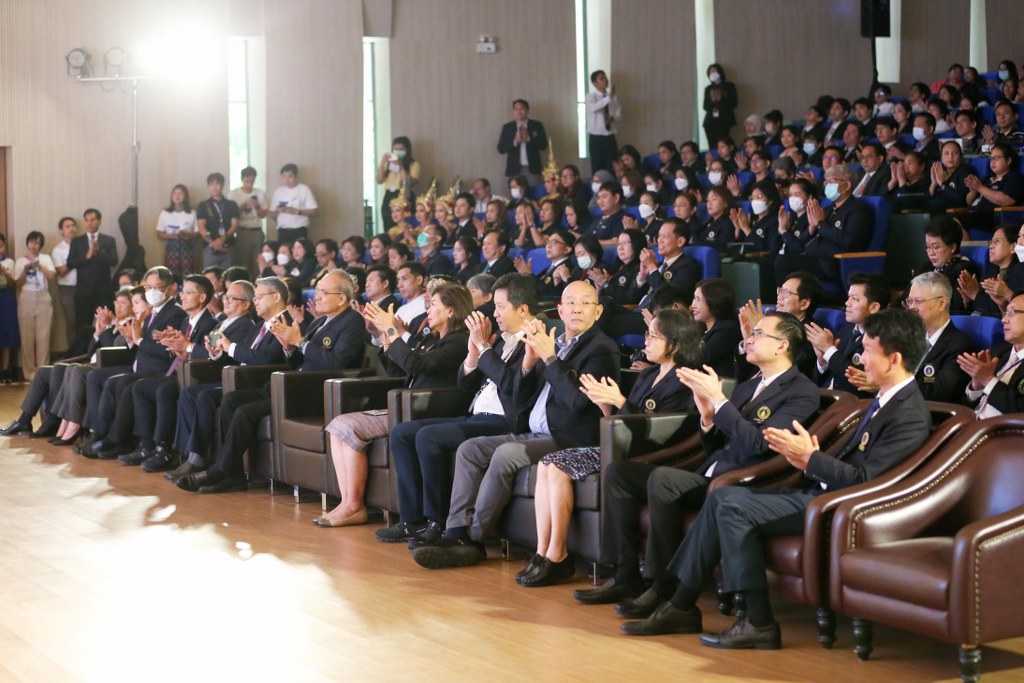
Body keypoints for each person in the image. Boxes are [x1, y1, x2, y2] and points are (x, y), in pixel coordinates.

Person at [620, 308, 930, 651]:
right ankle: (682, 604)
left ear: (894, 359)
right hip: (819, 493)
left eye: (868, 350)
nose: (861, 358)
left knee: (731, 504)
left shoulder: (908, 413)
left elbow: (866, 480)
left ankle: (756, 622)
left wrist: (811, 459)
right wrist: (808, 460)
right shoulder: (886, 400)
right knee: (722, 498)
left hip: (842, 507)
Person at [574, 311, 819, 612]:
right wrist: (707, 419)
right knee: (619, 472)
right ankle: (625, 574)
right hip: (710, 471)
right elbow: (714, 444)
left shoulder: (801, 392)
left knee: (663, 480)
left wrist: (720, 402)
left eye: (758, 334)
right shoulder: (749, 385)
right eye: (752, 333)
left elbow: (758, 444)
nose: (750, 339)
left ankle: (662, 584)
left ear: (782, 346)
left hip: (744, 483)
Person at [411, 282, 620, 569]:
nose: (577, 309)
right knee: (470, 449)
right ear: (560, 310)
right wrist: (529, 364)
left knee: (506, 454)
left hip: (567, 437)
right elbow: (520, 397)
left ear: (598, 312)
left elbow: (578, 402)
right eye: (571, 303)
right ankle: (456, 531)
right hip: (532, 429)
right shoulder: (553, 342)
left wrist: (550, 358)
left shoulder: (601, 349)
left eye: (585, 303)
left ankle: (472, 539)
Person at [520, 310, 700, 587]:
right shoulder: (648, 374)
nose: (646, 341)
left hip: (647, 455)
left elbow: (659, 431)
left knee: (556, 466)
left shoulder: (684, 381)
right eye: (647, 334)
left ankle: (558, 554)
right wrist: (605, 404)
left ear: (675, 344)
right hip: (621, 446)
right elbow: (619, 421)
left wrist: (620, 401)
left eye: (654, 336)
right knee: (546, 463)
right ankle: (543, 551)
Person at [376, 274, 538, 544]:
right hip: (477, 414)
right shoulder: (500, 340)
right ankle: (411, 520)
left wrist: (484, 348)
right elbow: (465, 386)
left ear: (522, 310)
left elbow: (514, 387)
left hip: (505, 420)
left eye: (500, 307)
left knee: (429, 437)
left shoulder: (533, 341)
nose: (495, 314)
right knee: (402, 432)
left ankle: (438, 522)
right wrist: (474, 356)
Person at [178, 271, 369, 494]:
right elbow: (299, 362)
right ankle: (234, 475)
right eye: (317, 291)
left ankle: (220, 470)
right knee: (230, 400)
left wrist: (300, 342)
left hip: (315, 391)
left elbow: (337, 362)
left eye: (323, 292)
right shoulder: (319, 322)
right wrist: (289, 348)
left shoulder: (352, 321)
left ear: (342, 298)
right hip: (291, 385)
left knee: (245, 412)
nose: (317, 296)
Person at [313, 283, 472, 525]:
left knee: (345, 426)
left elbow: (417, 365)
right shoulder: (431, 338)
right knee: (338, 426)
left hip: (423, 410)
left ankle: (354, 505)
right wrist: (385, 336)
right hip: (404, 405)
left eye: (433, 305)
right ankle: (347, 502)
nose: (428, 310)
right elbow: (399, 371)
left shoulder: (459, 342)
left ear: (451, 310)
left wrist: (391, 329)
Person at [163, 278, 287, 480]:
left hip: (258, 383)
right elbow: (237, 357)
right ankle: (194, 458)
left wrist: (229, 347)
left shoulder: (284, 323)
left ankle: (212, 465)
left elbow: (268, 359)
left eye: (259, 297)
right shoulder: (258, 327)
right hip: (239, 379)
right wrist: (216, 353)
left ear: (276, 297)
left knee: (207, 396)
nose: (255, 301)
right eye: (255, 297)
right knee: (192, 392)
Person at [135, 279, 258, 473]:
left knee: (192, 393)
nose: (225, 301)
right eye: (225, 297)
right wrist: (182, 351)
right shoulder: (223, 324)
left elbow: (228, 358)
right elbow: (212, 354)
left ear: (245, 304)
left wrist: (189, 347)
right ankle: (181, 454)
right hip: (210, 373)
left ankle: (192, 457)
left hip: (228, 378)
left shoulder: (244, 325)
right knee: (179, 391)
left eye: (232, 298)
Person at [113, 275, 220, 465]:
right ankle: (146, 445)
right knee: (139, 387)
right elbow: (182, 354)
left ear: (202, 297)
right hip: (180, 372)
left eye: (188, 293)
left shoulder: (211, 323)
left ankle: (164, 449)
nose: (182, 296)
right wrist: (172, 344)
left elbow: (209, 356)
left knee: (164, 390)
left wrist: (185, 346)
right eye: (183, 292)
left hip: (196, 378)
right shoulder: (186, 321)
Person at [775, 164, 871, 289]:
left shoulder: (857, 209)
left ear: (847, 185)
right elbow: (803, 243)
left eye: (832, 182)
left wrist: (821, 224)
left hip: (835, 263)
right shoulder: (827, 210)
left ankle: (785, 299)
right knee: (778, 259)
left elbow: (849, 242)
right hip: (815, 257)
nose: (827, 186)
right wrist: (811, 228)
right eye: (826, 182)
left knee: (783, 262)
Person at [806, 273, 890, 397]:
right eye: (848, 297)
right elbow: (819, 380)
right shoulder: (845, 330)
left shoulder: (882, 339)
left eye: (855, 299)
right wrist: (823, 361)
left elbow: (857, 381)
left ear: (874, 307)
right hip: (823, 397)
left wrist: (829, 350)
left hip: (851, 404)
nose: (847, 303)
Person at [960, 291, 1024, 418]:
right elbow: (967, 406)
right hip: (971, 424)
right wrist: (977, 385)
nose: (1004, 320)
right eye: (1005, 313)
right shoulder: (997, 353)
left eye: (1012, 312)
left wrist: (988, 380)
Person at [900, 215, 978, 313]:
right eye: (927, 247)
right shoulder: (924, 268)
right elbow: (903, 300)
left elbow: (954, 309)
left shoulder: (963, 270)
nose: (931, 253)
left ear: (953, 247)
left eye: (936, 247)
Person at [66, 208, 118, 344]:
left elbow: (114, 261)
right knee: (82, 326)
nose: (89, 223)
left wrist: (98, 253)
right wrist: (87, 256)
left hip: (103, 291)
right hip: (83, 292)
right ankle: (83, 352)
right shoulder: (77, 241)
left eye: (93, 220)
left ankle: (103, 352)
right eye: (87, 220)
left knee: (106, 325)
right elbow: (70, 263)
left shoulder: (108, 240)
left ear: (99, 221)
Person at [14, 231, 56, 380]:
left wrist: (39, 266)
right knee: (27, 336)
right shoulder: (20, 261)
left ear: (41, 245)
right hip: (26, 297)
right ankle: (29, 372)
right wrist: (25, 271)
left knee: (44, 336)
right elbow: (17, 284)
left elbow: (52, 275)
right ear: (27, 243)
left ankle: (43, 371)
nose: (34, 246)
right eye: (31, 242)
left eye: (37, 243)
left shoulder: (45, 258)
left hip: (43, 297)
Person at [957, 225, 1024, 316]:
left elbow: (999, 311)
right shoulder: (989, 275)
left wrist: (975, 295)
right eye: (991, 242)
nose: (991, 246)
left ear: (1013, 247)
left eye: (997, 241)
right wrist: (968, 300)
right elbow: (979, 307)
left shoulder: (1019, 273)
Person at [690, 278, 743, 379]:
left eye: (698, 299)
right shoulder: (701, 327)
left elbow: (696, 359)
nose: (693, 305)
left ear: (714, 302)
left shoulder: (727, 331)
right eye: (694, 298)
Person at [229, 166, 269, 274]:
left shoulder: (260, 193)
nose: (249, 184)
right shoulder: (234, 193)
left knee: (257, 264)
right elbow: (230, 214)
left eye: (252, 181)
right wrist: (244, 205)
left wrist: (257, 206)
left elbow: (263, 215)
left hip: (257, 230)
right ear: (242, 179)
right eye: (247, 181)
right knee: (243, 263)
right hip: (242, 231)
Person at [196, 172, 240, 269]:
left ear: (222, 185)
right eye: (211, 184)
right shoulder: (203, 205)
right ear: (208, 186)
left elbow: (234, 225)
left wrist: (222, 239)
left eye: (217, 184)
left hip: (228, 246)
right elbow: (201, 227)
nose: (214, 187)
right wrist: (214, 243)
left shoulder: (231, 204)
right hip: (210, 247)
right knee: (210, 275)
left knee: (228, 275)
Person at [498, 99, 548, 184]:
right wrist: (515, 142)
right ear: (513, 111)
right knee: (515, 192)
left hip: (532, 169)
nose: (519, 112)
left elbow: (544, 146)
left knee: (534, 191)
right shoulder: (507, 127)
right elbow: (500, 149)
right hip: (514, 170)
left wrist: (529, 138)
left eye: (522, 108)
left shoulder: (537, 125)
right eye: (516, 109)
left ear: (527, 110)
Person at [269, 163, 319, 245]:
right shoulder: (278, 191)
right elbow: (272, 214)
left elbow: (315, 212)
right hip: (282, 231)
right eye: (284, 177)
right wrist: (278, 211)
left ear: (296, 177)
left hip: (299, 230)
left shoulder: (304, 189)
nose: (286, 180)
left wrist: (296, 211)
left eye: (290, 177)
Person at [375, 137, 419, 230]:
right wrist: (383, 161)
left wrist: (399, 166)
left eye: (401, 149)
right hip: (389, 195)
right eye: (396, 149)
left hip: (404, 195)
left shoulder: (413, 164)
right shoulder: (388, 163)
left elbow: (410, 182)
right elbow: (379, 180)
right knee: (388, 224)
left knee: (406, 225)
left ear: (407, 150)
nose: (398, 151)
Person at [156, 183, 200, 274]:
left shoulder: (192, 213)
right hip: (172, 247)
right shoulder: (165, 213)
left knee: (188, 274)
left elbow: (197, 233)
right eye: (174, 193)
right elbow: (159, 233)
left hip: (187, 247)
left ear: (185, 196)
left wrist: (186, 234)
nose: (177, 196)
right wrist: (171, 236)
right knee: (172, 275)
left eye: (180, 193)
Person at [586, 70, 622, 175]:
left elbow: (619, 115)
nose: (605, 80)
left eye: (605, 77)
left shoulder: (613, 97)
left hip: (610, 137)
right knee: (598, 168)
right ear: (594, 83)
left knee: (612, 167)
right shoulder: (590, 96)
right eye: (601, 78)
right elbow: (594, 108)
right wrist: (608, 98)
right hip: (596, 138)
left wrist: (613, 118)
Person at [50, 216, 78, 338]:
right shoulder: (58, 250)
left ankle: (86, 349)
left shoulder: (82, 245)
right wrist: (77, 260)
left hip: (84, 287)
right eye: (67, 226)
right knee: (72, 321)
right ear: (61, 231)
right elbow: (61, 271)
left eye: (73, 226)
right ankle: (74, 349)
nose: (71, 228)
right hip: (67, 289)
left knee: (85, 321)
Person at [702, 64, 738, 147]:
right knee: (712, 144)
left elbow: (734, 103)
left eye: (714, 71)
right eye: (710, 72)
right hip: (710, 121)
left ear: (720, 72)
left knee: (723, 142)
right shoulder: (708, 88)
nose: (712, 73)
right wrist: (713, 101)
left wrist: (721, 100)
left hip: (724, 119)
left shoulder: (729, 86)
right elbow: (705, 106)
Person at [696, 186, 735, 253]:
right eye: (708, 200)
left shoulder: (728, 223)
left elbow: (721, 247)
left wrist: (696, 243)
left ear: (725, 203)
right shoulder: (709, 222)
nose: (709, 203)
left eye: (714, 199)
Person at [0, 235, 16, 383]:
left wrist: (5, 273)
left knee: (7, 332)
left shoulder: (9, 262)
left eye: (1, 246)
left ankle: (5, 369)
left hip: (6, 297)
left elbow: (14, 284)